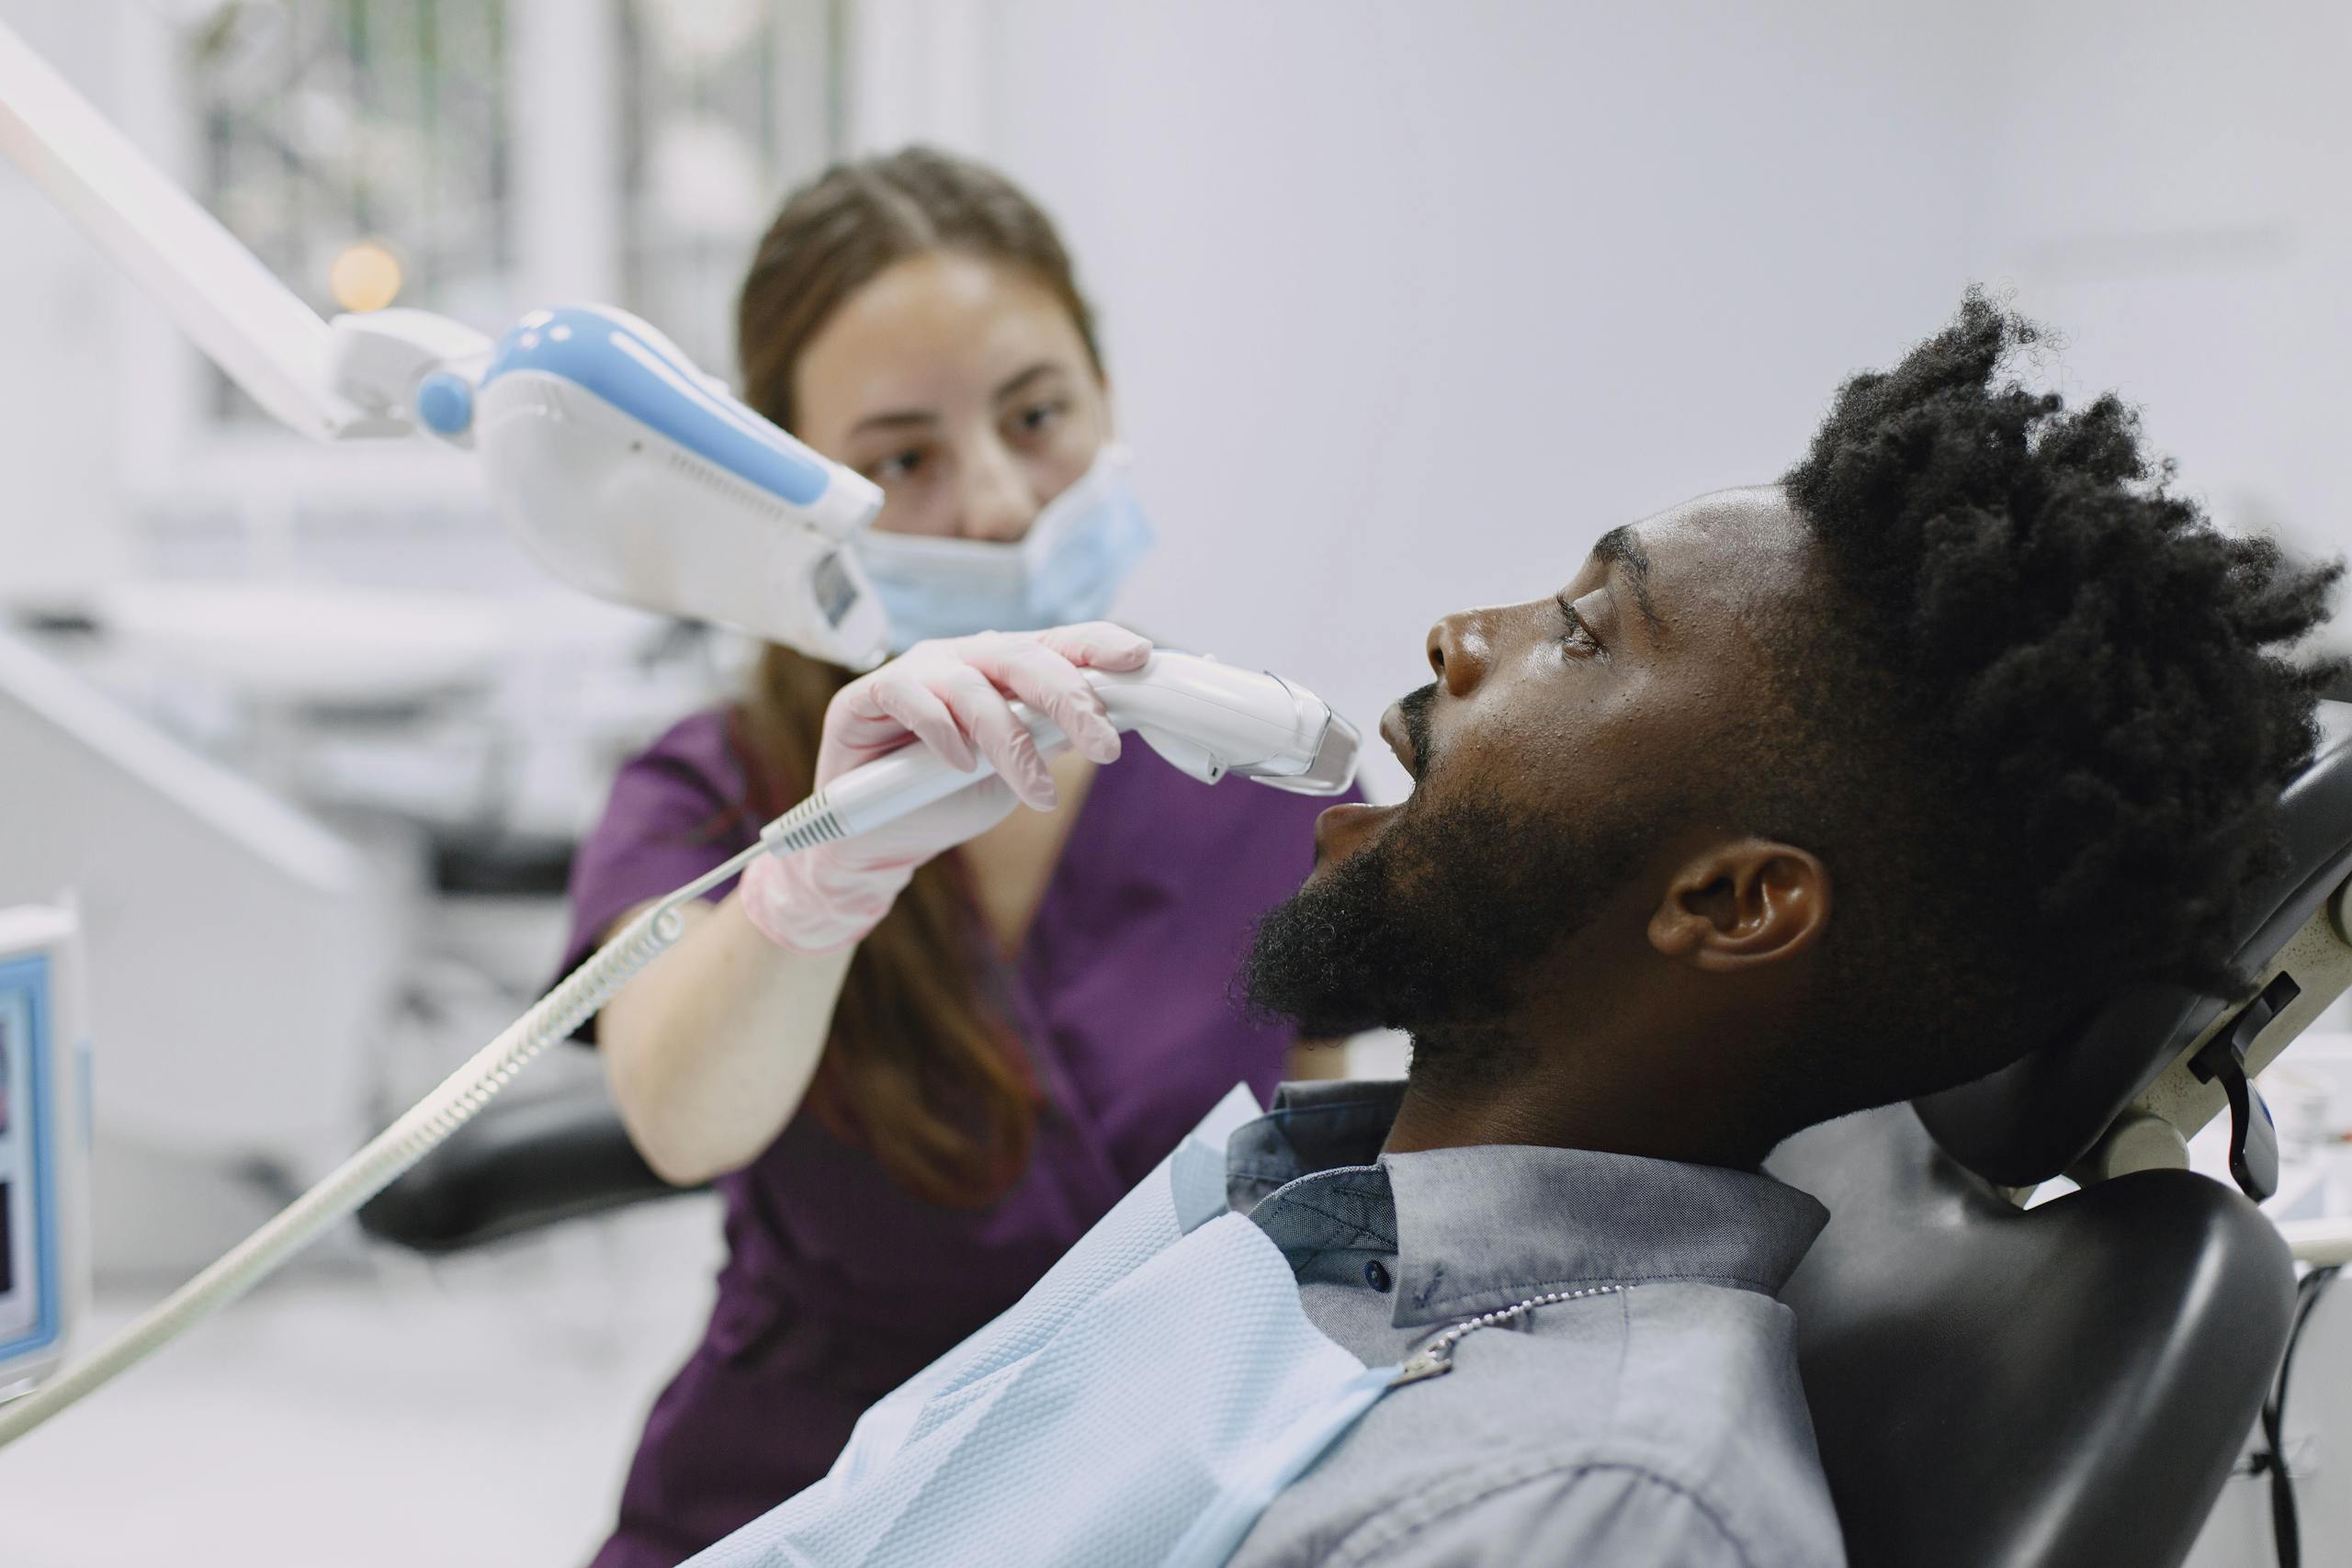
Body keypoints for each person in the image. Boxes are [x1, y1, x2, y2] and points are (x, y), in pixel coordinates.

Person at [682, 291, 2338, 1565]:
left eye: (1586, 631)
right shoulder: (1327, 1203)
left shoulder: (1585, 1504)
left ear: (1732, 903)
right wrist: (817, 881)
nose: (1458, 635)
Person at [560, 149, 1351, 1567]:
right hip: (795, 1501)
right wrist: (808, 891)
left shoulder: (1263, 785)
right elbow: (680, 1118)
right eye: (902, 459)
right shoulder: (711, 788)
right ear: (795, 496)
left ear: (1106, 402)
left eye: (1037, 417)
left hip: (1154, 1494)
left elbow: (1320, 1175)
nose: (996, 503)